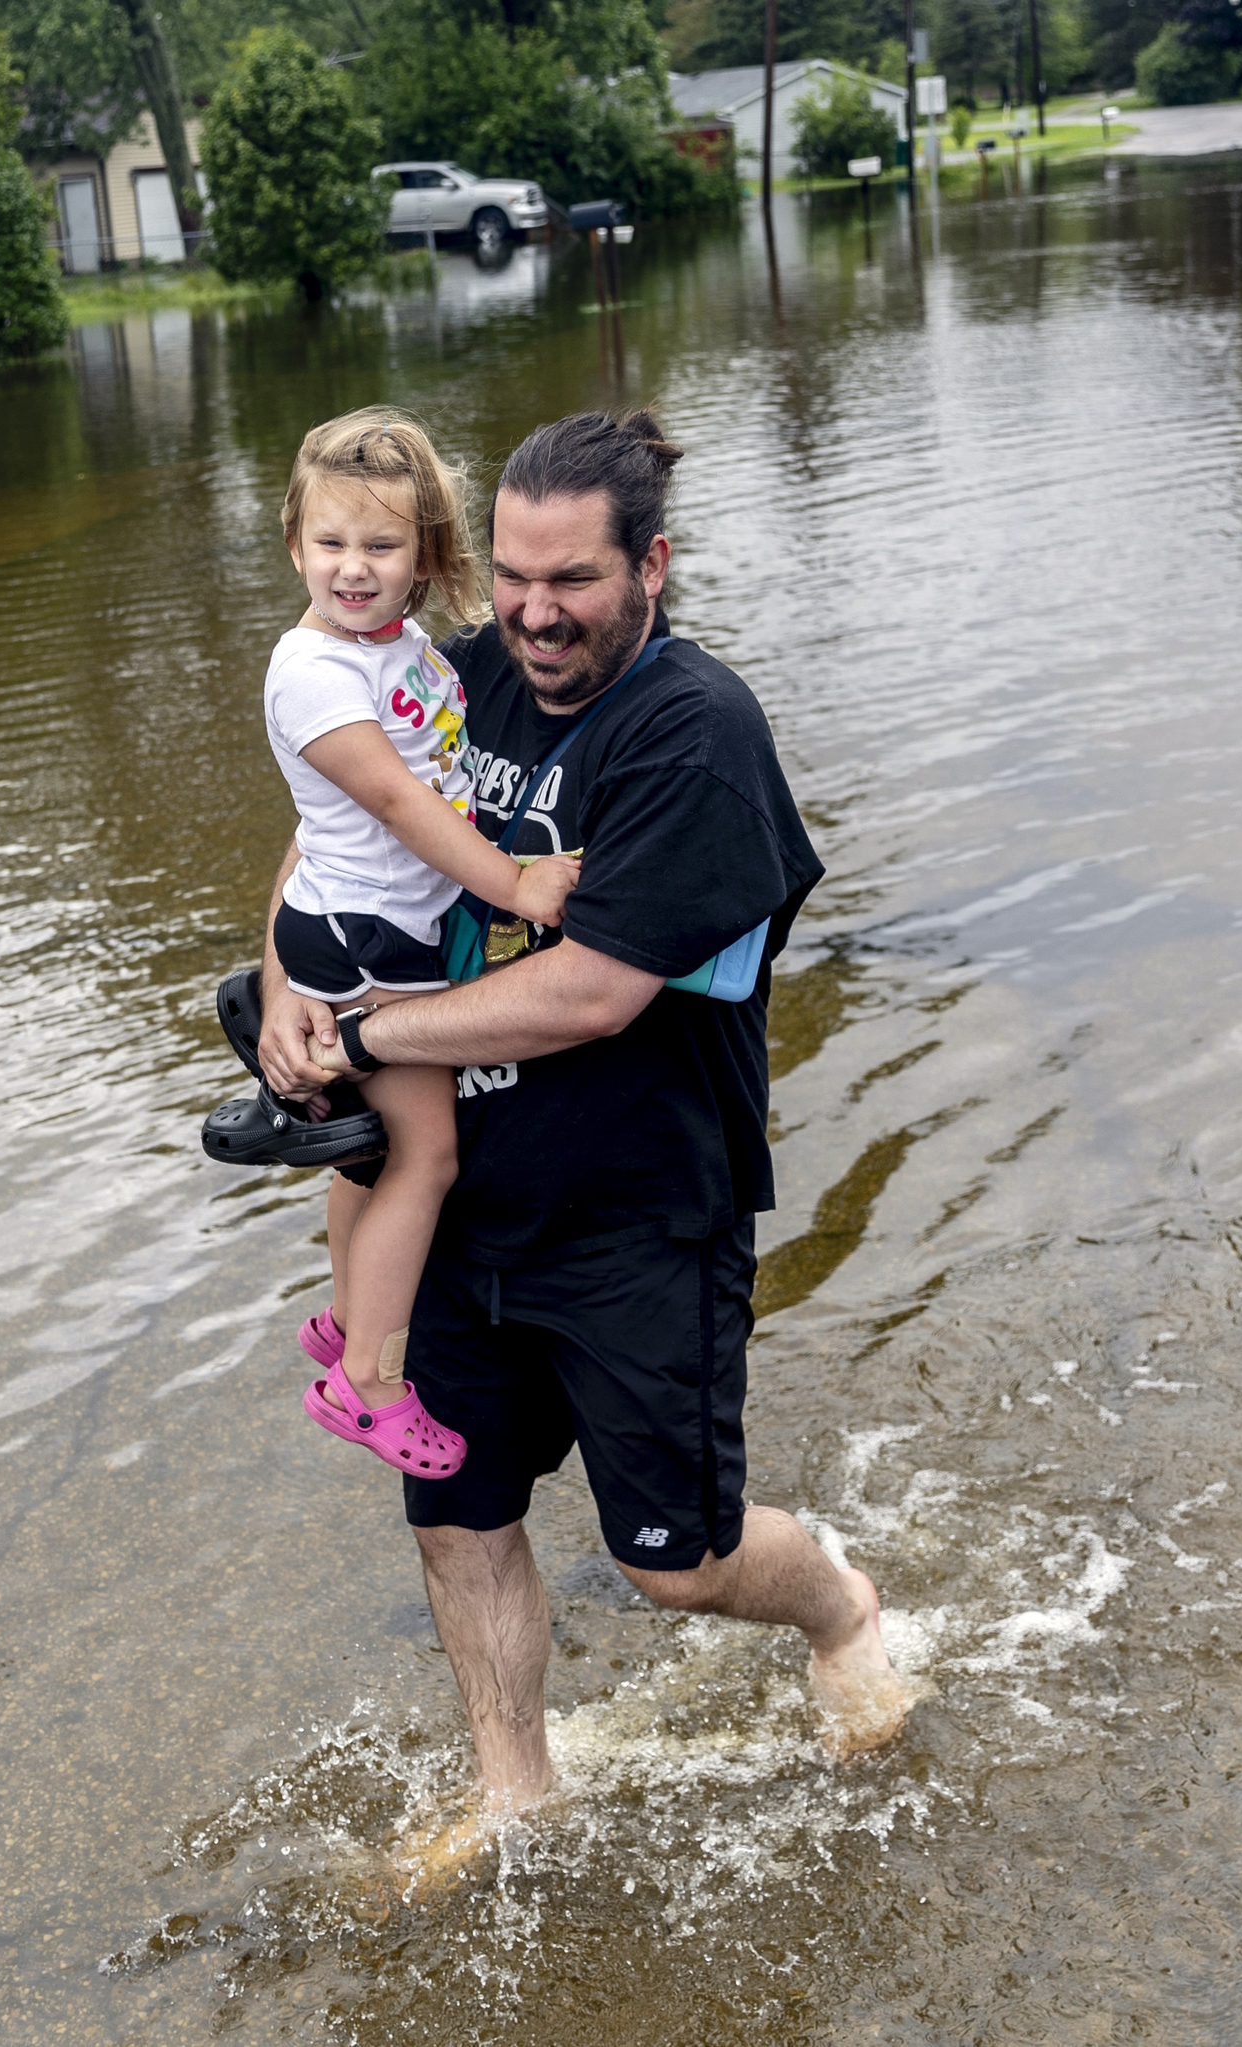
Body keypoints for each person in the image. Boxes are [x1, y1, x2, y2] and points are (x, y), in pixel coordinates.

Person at [255, 409, 913, 1869]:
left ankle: (838, 1606)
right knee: (462, 1514)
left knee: (675, 1563)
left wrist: (360, 1042)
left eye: (573, 583)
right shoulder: (459, 668)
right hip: (460, 1208)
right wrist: (292, 978)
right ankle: (517, 1796)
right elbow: (342, 809)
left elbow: (593, 990)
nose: (535, 616)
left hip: (635, 1212)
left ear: (653, 566)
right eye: (510, 578)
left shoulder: (698, 737)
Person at [260, 409, 583, 1480]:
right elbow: (398, 803)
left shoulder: (396, 647)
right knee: (424, 1157)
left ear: (427, 558)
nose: (353, 569)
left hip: (363, 923)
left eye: (381, 546)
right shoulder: (313, 671)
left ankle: (349, 1310)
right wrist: (519, 885)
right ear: (295, 543)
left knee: (370, 1151)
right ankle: (371, 1380)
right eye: (331, 543)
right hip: (365, 938)